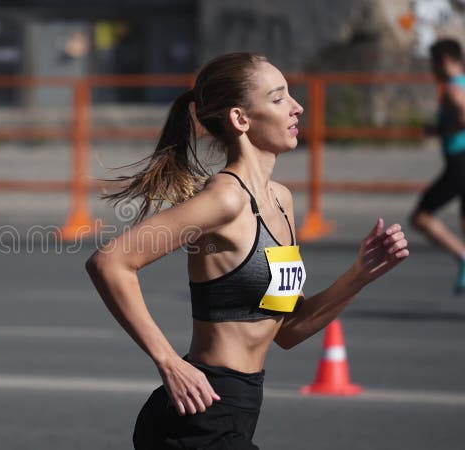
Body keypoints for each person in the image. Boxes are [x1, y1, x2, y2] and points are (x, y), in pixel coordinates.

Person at [85, 52, 409, 449]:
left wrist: (360, 274)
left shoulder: (281, 201)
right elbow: (111, 261)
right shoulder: (225, 200)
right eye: (278, 99)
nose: (297, 107)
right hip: (201, 414)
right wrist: (169, 362)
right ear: (240, 119)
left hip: (237, 408)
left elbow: (288, 331)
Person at [410, 38, 465, 293]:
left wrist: (439, 128)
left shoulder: (453, 89)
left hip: (459, 163)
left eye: (432, 63)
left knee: (421, 217)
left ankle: (463, 257)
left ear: (443, 61)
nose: (431, 70)